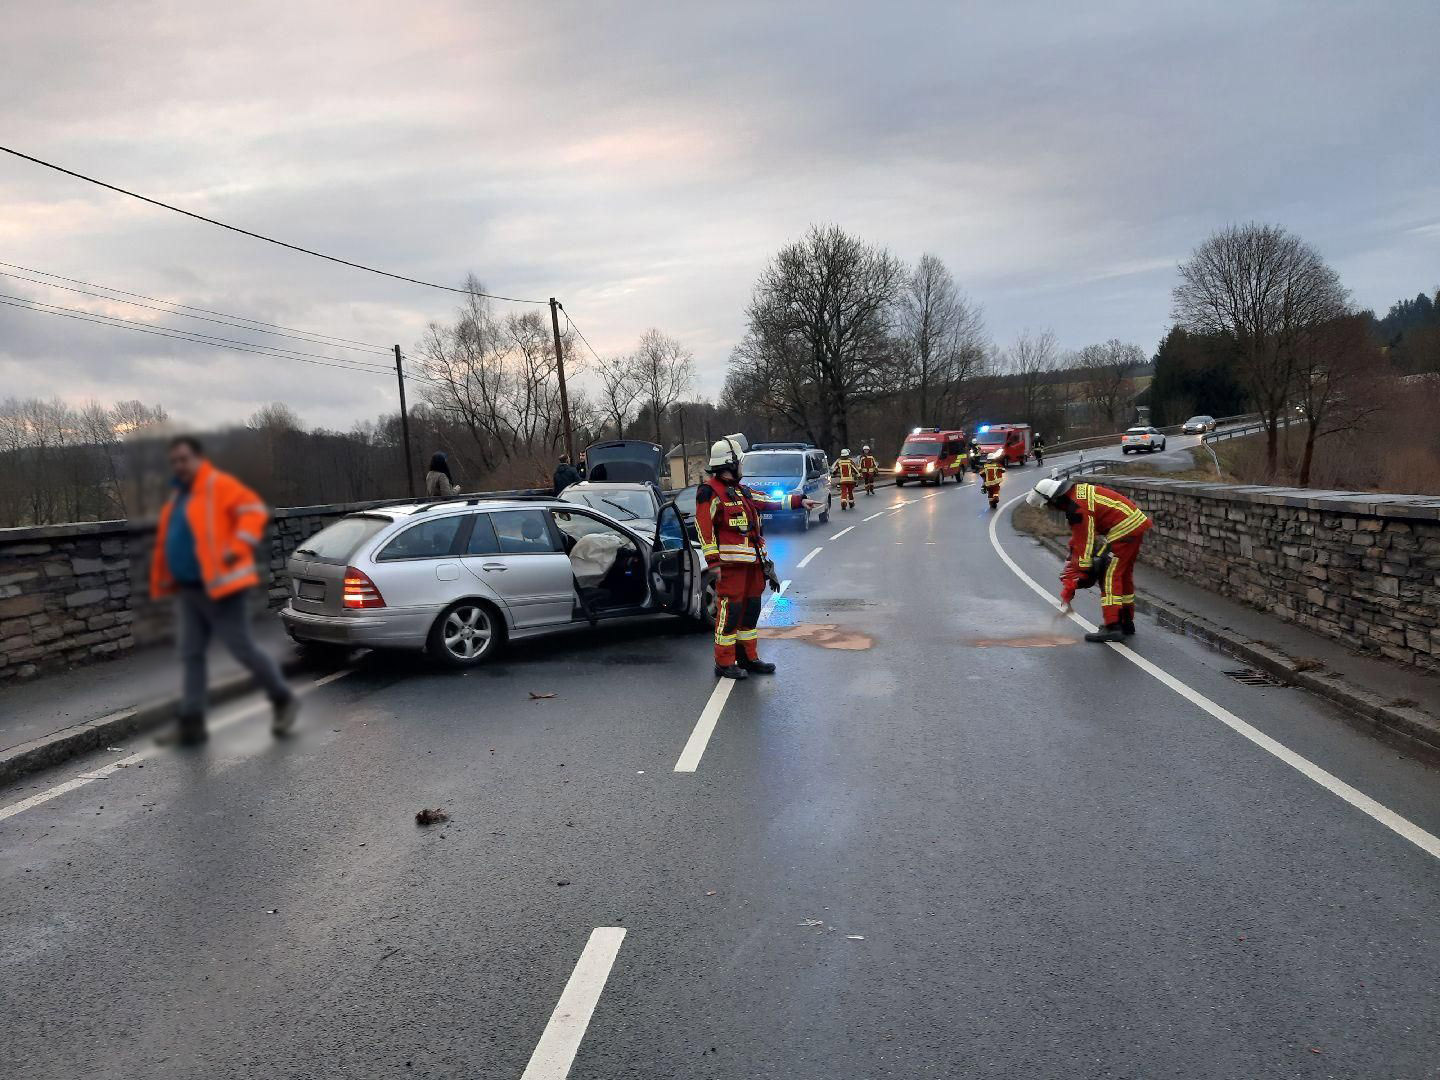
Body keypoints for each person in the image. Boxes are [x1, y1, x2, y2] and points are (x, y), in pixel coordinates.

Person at [150, 436, 297, 746]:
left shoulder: (218, 486)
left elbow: (253, 512)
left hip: (223, 588)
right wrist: (163, 579)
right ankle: (191, 723)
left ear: (198, 459)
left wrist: (238, 544)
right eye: (174, 460)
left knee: (242, 649)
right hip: (189, 590)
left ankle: (283, 699)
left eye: (183, 458)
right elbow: (170, 541)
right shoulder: (178, 496)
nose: (179, 465)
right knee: (191, 654)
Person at [695, 434, 820, 679]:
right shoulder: (709, 492)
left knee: (751, 611)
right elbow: (704, 528)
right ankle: (724, 662)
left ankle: (748, 658)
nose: (742, 467)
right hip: (730, 567)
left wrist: (799, 500)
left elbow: (768, 501)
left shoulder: (741, 491)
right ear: (730, 463)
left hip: (753, 565)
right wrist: (713, 563)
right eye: (740, 462)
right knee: (730, 614)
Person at [1027, 476, 1151, 642]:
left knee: (1108, 574)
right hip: (1131, 525)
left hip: (1124, 530)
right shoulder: (1077, 495)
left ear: (1053, 499)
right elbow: (1080, 537)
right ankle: (1126, 622)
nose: (1051, 509)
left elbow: (1084, 541)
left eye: (1048, 506)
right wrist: (1074, 561)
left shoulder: (1075, 507)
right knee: (1123, 575)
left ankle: (1113, 626)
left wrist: (1082, 574)